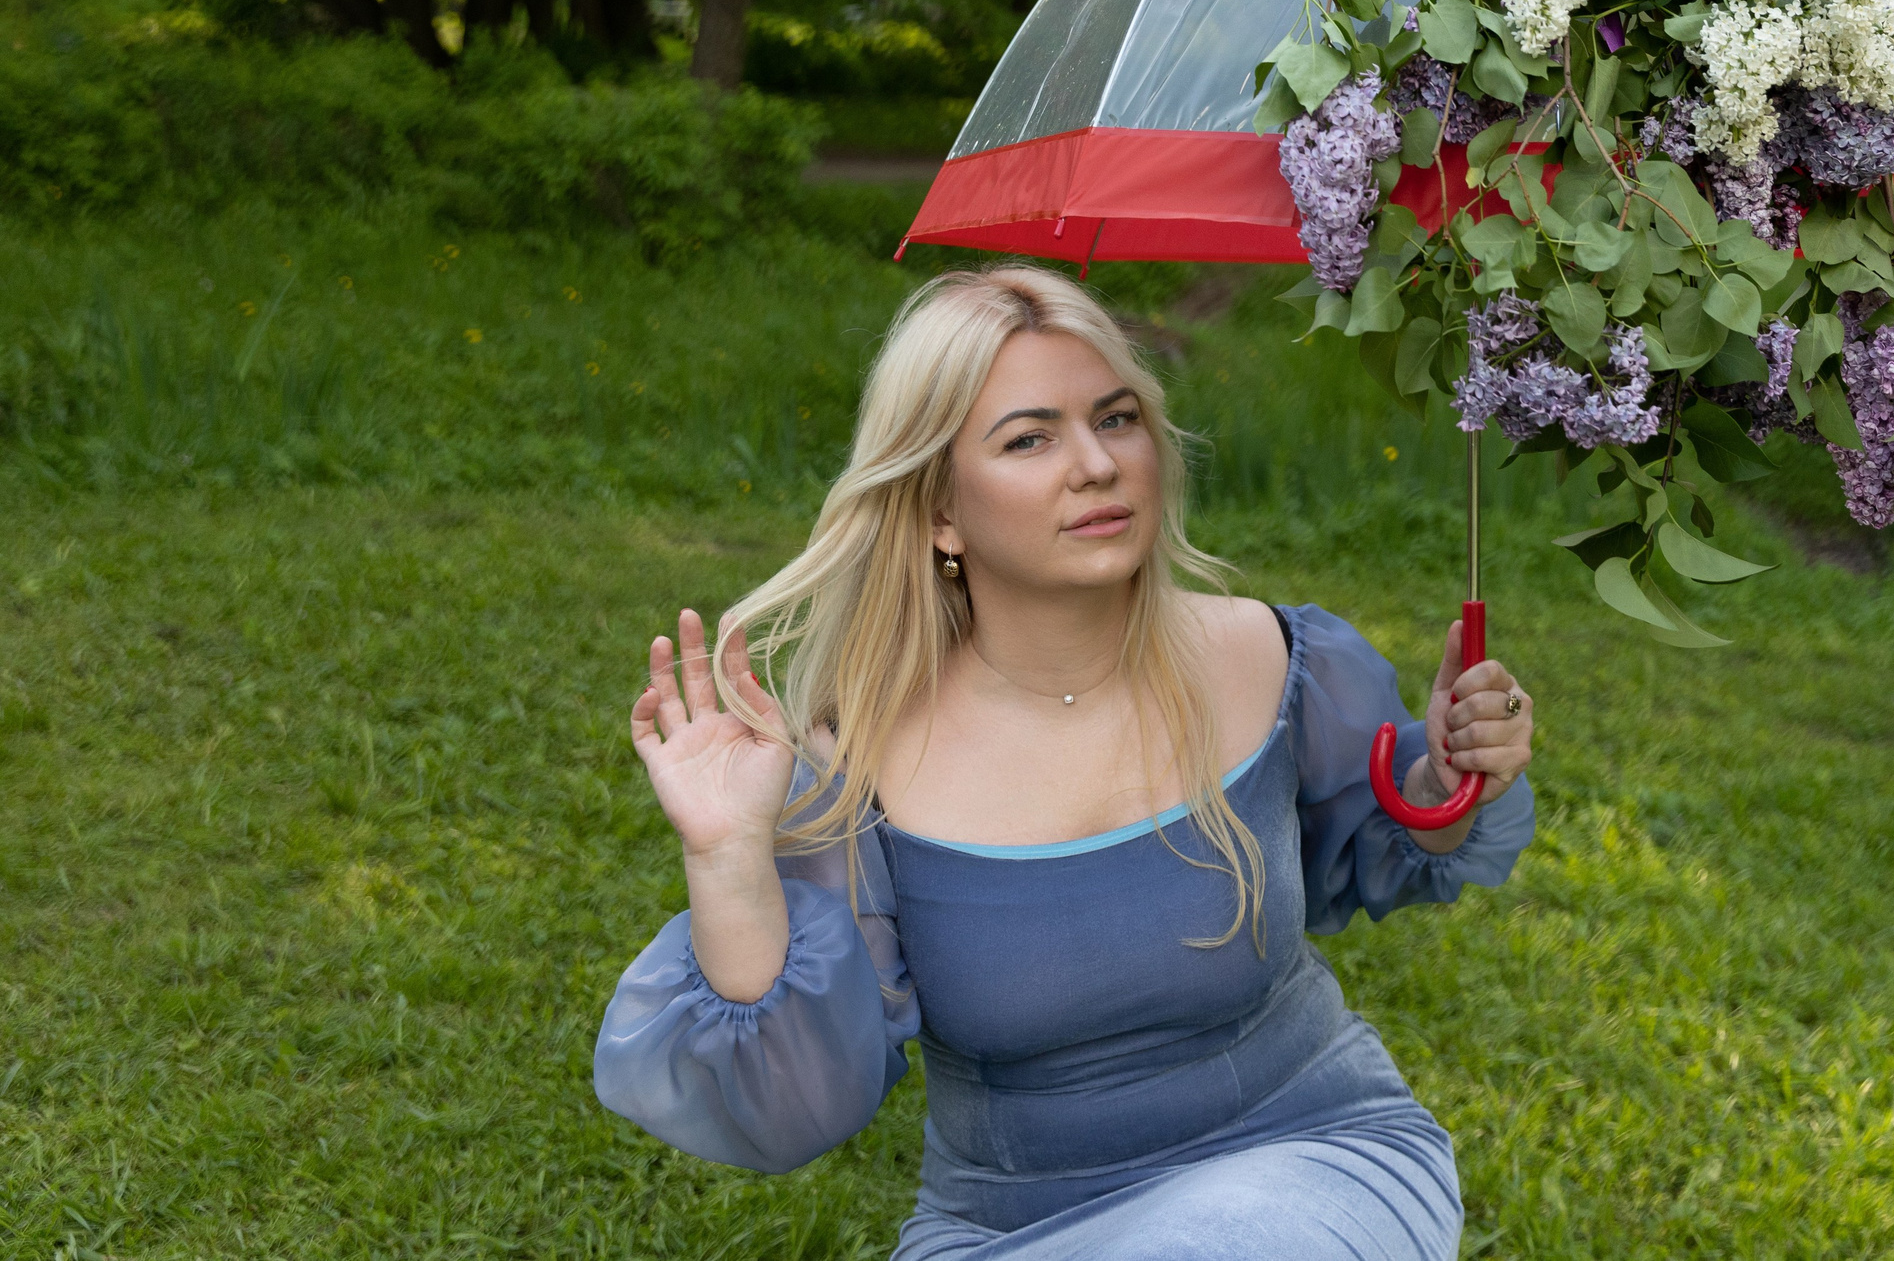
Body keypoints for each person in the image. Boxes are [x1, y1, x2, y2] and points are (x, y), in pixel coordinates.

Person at [592, 262, 1537, 1259]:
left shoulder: (1267, 657)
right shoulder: (861, 763)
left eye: (1117, 418)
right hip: (1012, 1229)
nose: (1094, 463)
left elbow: (1383, 848)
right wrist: (730, 857)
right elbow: (787, 1104)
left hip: (1307, 1164)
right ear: (937, 513)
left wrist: (1444, 778)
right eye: (1029, 437)